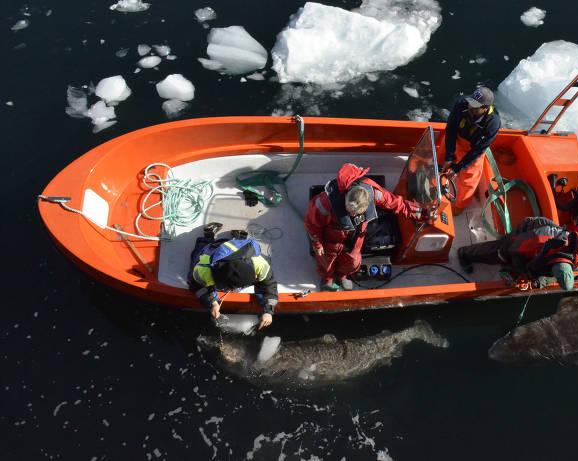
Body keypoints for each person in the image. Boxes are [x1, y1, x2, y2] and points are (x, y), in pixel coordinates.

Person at [304, 163, 426, 291]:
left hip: (355, 238)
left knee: (352, 262)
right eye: (349, 211)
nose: (351, 215)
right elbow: (311, 224)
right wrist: (317, 244)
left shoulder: (375, 194)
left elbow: (396, 203)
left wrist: (421, 213)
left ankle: (342, 276)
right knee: (326, 262)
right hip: (331, 238)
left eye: (355, 213)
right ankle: (327, 279)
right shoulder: (324, 203)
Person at [187, 222, 278, 328]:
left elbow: (269, 284)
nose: (235, 290)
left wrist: (268, 311)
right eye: (233, 287)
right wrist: (212, 303)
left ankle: (240, 238)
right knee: (195, 261)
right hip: (213, 249)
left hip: (239, 251)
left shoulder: (259, 265)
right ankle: (209, 236)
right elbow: (196, 286)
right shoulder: (203, 271)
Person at [457, 217, 578, 290]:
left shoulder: (572, 259)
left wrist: (535, 283)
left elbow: (553, 276)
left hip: (538, 250)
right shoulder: (539, 240)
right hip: (527, 232)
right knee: (501, 252)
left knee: (522, 266)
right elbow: (514, 248)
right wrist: (522, 273)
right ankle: (464, 253)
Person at [440, 86, 501, 214]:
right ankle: (439, 172)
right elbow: (450, 129)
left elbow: (478, 150)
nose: (470, 108)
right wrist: (449, 157)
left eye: (475, 107)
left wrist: (457, 168)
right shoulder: (461, 104)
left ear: (485, 108)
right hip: (456, 139)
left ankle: (460, 205)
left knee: (469, 177)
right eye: (470, 104)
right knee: (442, 156)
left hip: (473, 148)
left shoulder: (493, 123)